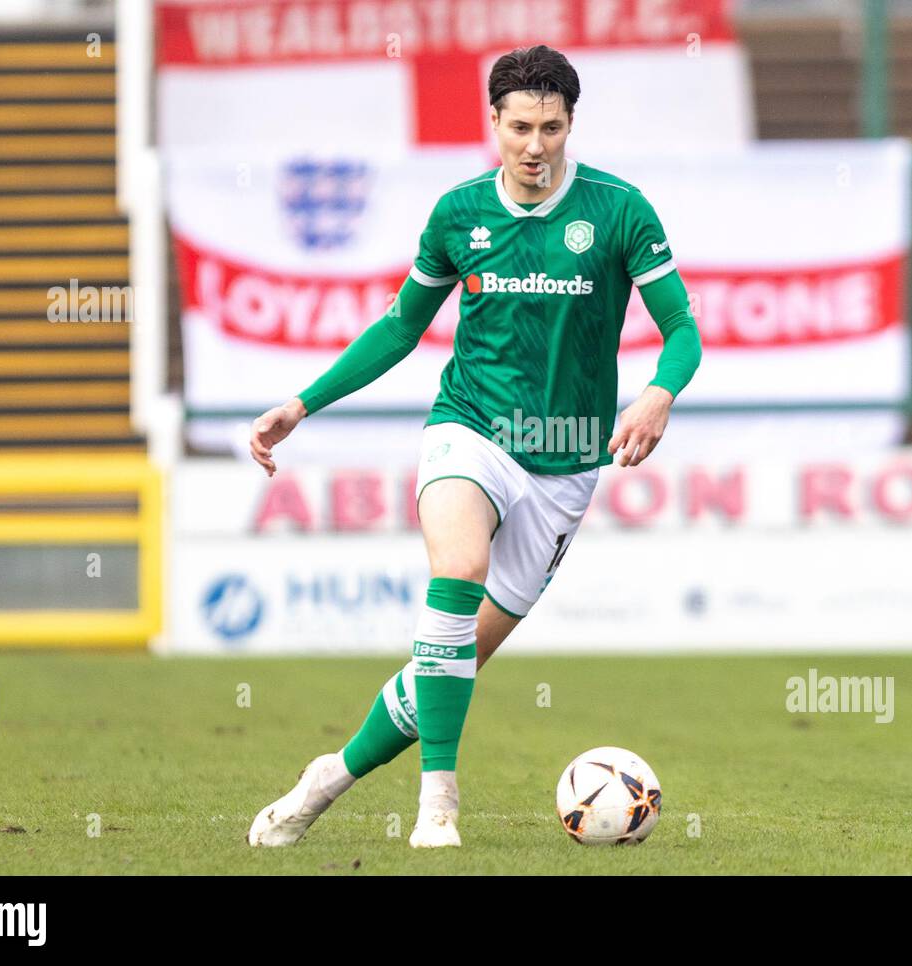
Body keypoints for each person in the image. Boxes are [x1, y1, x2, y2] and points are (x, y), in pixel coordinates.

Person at [246, 44, 701, 849]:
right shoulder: (459, 214)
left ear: (570, 125)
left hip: (565, 464)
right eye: (520, 126)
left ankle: (329, 778)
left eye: (551, 128)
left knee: (445, 669)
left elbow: (682, 330)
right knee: (456, 572)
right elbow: (399, 327)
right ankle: (439, 802)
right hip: (470, 429)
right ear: (493, 121)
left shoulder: (621, 210)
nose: (534, 145)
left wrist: (660, 392)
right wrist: (302, 402)